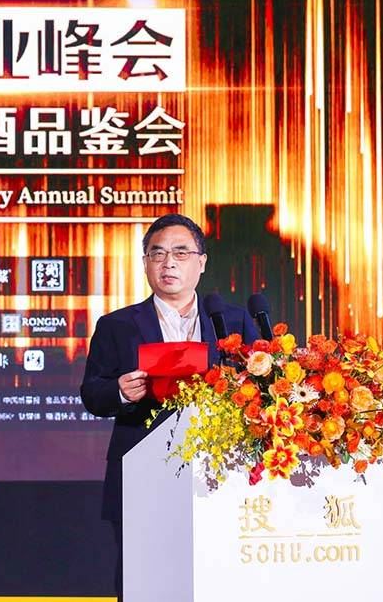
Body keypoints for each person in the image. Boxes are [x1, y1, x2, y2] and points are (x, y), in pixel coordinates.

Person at [80, 213, 259, 599]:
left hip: (219, 469)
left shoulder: (231, 320)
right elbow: (92, 393)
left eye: (181, 252)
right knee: (143, 578)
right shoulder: (117, 325)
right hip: (141, 471)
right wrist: (121, 392)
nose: (169, 263)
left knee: (219, 575)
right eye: (157, 254)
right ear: (145, 263)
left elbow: (261, 388)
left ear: (201, 262)